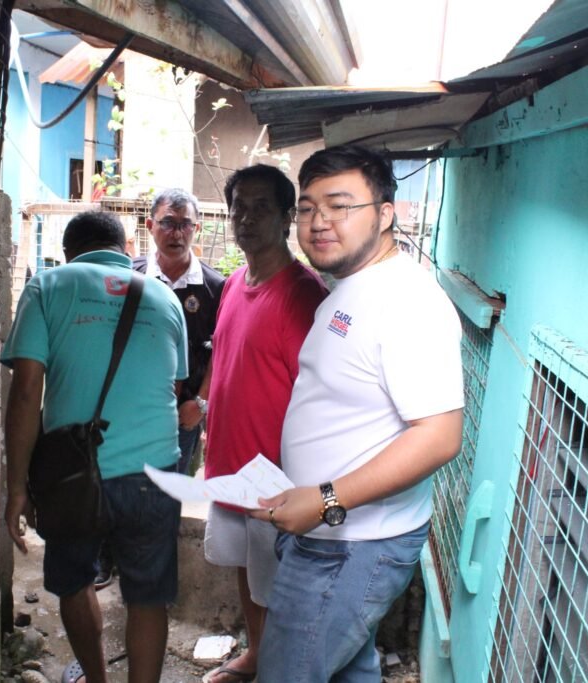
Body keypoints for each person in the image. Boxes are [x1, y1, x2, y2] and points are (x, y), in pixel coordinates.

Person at [250, 145, 464, 682]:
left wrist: (325, 500)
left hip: (350, 546)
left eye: (340, 206)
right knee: (350, 671)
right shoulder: (353, 289)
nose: (319, 222)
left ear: (385, 214)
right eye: (307, 207)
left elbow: (439, 436)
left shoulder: (407, 301)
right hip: (330, 536)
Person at [1, 211, 188, 683]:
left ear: (69, 253)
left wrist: (17, 486)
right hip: (155, 471)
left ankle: (96, 679)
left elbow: (26, 392)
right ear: (126, 249)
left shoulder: (48, 286)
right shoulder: (165, 297)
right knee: (148, 597)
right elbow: (173, 386)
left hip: (72, 473)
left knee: (75, 582)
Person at [202, 165, 328, 683]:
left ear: (286, 218)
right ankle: (257, 655)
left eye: (261, 208)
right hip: (230, 464)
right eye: (239, 208)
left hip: (275, 477)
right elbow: (226, 363)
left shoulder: (303, 295)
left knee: (278, 585)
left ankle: (279, 668)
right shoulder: (235, 281)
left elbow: (321, 397)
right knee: (247, 571)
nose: (247, 219)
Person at [134, 188, 225, 475]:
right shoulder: (130, 277)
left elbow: (222, 349)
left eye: (185, 224)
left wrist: (200, 404)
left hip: (182, 416)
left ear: (196, 229)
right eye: (168, 223)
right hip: (130, 411)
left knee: (170, 490)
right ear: (150, 225)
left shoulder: (215, 287)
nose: (176, 234)